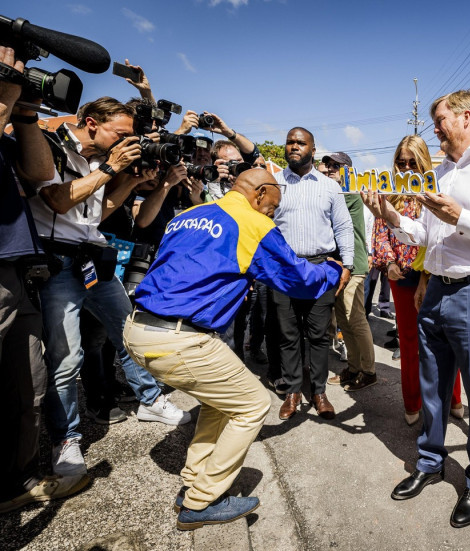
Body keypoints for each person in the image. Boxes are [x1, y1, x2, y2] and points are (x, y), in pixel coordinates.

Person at [123, 169, 341, 530]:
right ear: (260, 194)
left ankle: (194, 480)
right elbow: (300, 280)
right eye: (272, 206)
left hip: (138, 328)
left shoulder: (190, 215)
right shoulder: (252, 222)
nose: (271, 214)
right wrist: (333, 272)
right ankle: (200, 501)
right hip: (181, 339)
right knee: (254, 405)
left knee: (219, 402)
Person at [363, 89, 470, 528]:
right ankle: (430, 462)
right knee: (433, 384)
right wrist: (391, 217)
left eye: (439, 119)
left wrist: (465, 218)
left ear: (464, 118)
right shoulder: (437, 172)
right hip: (436, 289)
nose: (433, 128)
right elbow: (425, 235)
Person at [27, 97, 190, 478]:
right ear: (90, 123)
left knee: (131, 335)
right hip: (58, 263)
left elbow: (96, 214)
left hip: (94, 258)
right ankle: (66, 440)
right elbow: (55, 200)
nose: (127, 142)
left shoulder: (103, 161)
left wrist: (131, 178)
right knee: (66, 360)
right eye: (121, 134)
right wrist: (112, 169)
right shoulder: (50, 146)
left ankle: (150, 400)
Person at [0, 44, 89, 513]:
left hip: (19, 267)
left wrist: (28, 112)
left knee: (28, 384)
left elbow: (39, 171)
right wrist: (7, 95)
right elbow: (59, 197)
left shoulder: (10, 127)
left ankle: (15, 482)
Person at [372, 135, 464, 425]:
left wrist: (425, 277)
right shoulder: (388, 193)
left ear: (423, 161)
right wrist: (388, 263)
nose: (407, 167)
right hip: (401, 276)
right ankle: (412, 402)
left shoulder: (435, 192)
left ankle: (454, 397)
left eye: (413, 161)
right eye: (401, 162)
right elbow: (380, 232)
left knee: (445, 341)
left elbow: (439, 237)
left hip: (435, 275)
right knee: (410, 343)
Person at [271, 127, 354, 421]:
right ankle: (293, 391)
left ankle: (319, 392)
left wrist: (347, 265)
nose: (294, 146)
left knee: (318, 335)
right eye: (290, 142)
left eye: (300, 143)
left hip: (320, 267)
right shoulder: (274, 183)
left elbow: (343, 226)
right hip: (284, 269)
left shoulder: (329, 186)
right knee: (288, 333)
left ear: (313, 149)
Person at [322, 152, 377, 391]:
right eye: (329, 165)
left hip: (353, 264)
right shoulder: (335, 191)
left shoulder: (349, 192)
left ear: (348, 170)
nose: (331, 168)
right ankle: (354, 368)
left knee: (355, 319)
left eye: (337, 165)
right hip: (339, 264)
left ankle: (369, 371)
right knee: (344, 319)